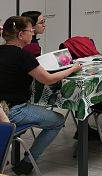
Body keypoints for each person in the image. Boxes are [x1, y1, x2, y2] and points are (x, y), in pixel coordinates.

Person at [0, 16, 82, 175]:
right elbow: (48, 80)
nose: (33, 34)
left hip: (2, 109)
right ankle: (28, 161)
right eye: (30, 31)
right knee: (58, 121)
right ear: (20, 34)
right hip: (14, 111)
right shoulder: (24, 56)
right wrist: (73, 68)